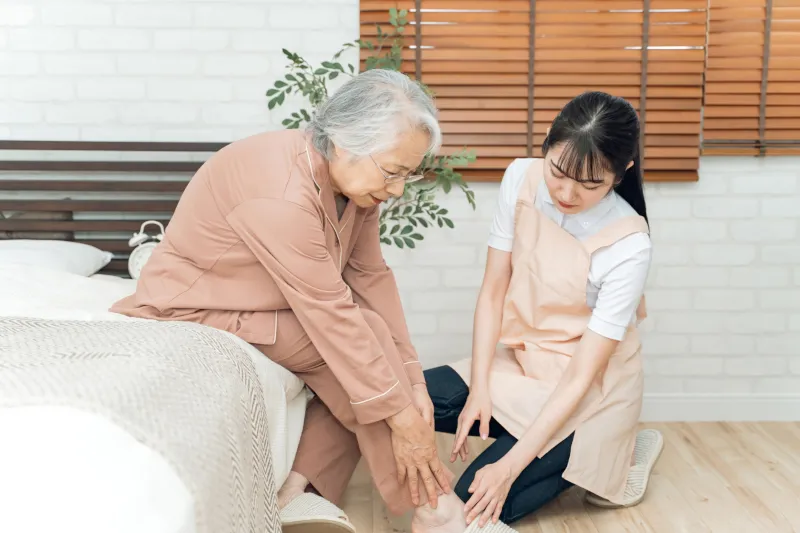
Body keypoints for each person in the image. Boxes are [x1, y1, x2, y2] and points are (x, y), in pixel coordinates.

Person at [110, 69, 515, 533]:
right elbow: (331, 315)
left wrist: (414, 384)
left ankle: (299, 491)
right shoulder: (282, 192)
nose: (399, 188)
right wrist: (404, 420)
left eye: (409, 174)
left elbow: (371, 278)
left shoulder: (354, 183)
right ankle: (434, 508)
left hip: (265, 304)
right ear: (344, 143)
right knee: (356, 363)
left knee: (369, 360)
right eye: (394, 172)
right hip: (192, 307)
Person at [422, 91, 664, 528]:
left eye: (590, 184)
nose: (567, 193)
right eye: (558, 172)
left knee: (465, 512)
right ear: (546, 145)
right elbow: (493, 291)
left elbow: (581, 377)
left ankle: (618, 457)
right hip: (523, 364)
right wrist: (479, 389)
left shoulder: (629, 244)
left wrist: (507, 468)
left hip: (588, 397)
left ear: (622, 172)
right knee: (405, 402)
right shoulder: (521, 178)